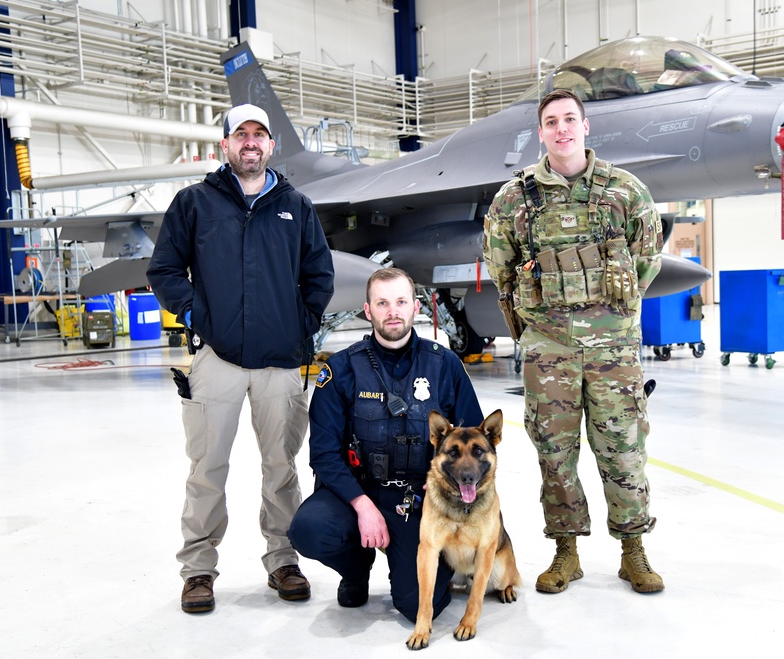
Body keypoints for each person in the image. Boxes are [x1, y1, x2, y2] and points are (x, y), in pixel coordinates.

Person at [147, 103, 334, 613]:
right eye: (240, 135)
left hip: (281, 363)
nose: (250, 143)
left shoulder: (297, 205)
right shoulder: (195, 204)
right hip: (218, 360)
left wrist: (302, 325)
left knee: (281, 467)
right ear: (224, 146)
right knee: (207, 467)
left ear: (270, 145)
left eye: (259, 135)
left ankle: (283, 560)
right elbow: (163, 270)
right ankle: (198, 571)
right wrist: (195, 316)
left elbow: (319, 277)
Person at [482, 89, 666, 595]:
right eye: (551, 122)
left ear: (585, 127)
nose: (561, 129)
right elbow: (501, 267)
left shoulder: (624, 191)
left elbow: (647, 260)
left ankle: (633, 553)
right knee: (554, 452)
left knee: (623, 450)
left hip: (614, 350)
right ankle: (566, 552)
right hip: (549, 350)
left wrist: (608, 316)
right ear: (540, 133)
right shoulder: (513, 200)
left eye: (569, 120)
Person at [288, 268, 483, 622]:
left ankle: (439, 566)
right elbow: (324, 454)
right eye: (382, 303)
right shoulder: (341, 369)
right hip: (357, 490)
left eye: (400, 302)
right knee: (310, 529)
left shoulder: (445, 365)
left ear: (416, 307)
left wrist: (446, 483)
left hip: (418, 498)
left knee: (420, 607)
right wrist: (362, 505)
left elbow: (474, 441)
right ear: (368, 310)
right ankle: (355, 569)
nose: (392, 311)